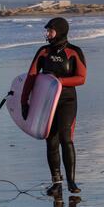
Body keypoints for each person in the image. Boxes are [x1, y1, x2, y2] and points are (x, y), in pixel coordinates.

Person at [21, 17, 87, 196]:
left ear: (60, 31)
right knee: (51, 141)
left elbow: (81, 78)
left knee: (66, 138)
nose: (47, 34)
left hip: (67, 100)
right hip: (47, 102)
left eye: (50, 31)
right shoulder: (43, 52)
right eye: (47, 31)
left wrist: (59, 81)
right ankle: (56, 183)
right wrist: (23, 100)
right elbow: (32, 76)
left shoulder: (74, 52)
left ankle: (71, 181)